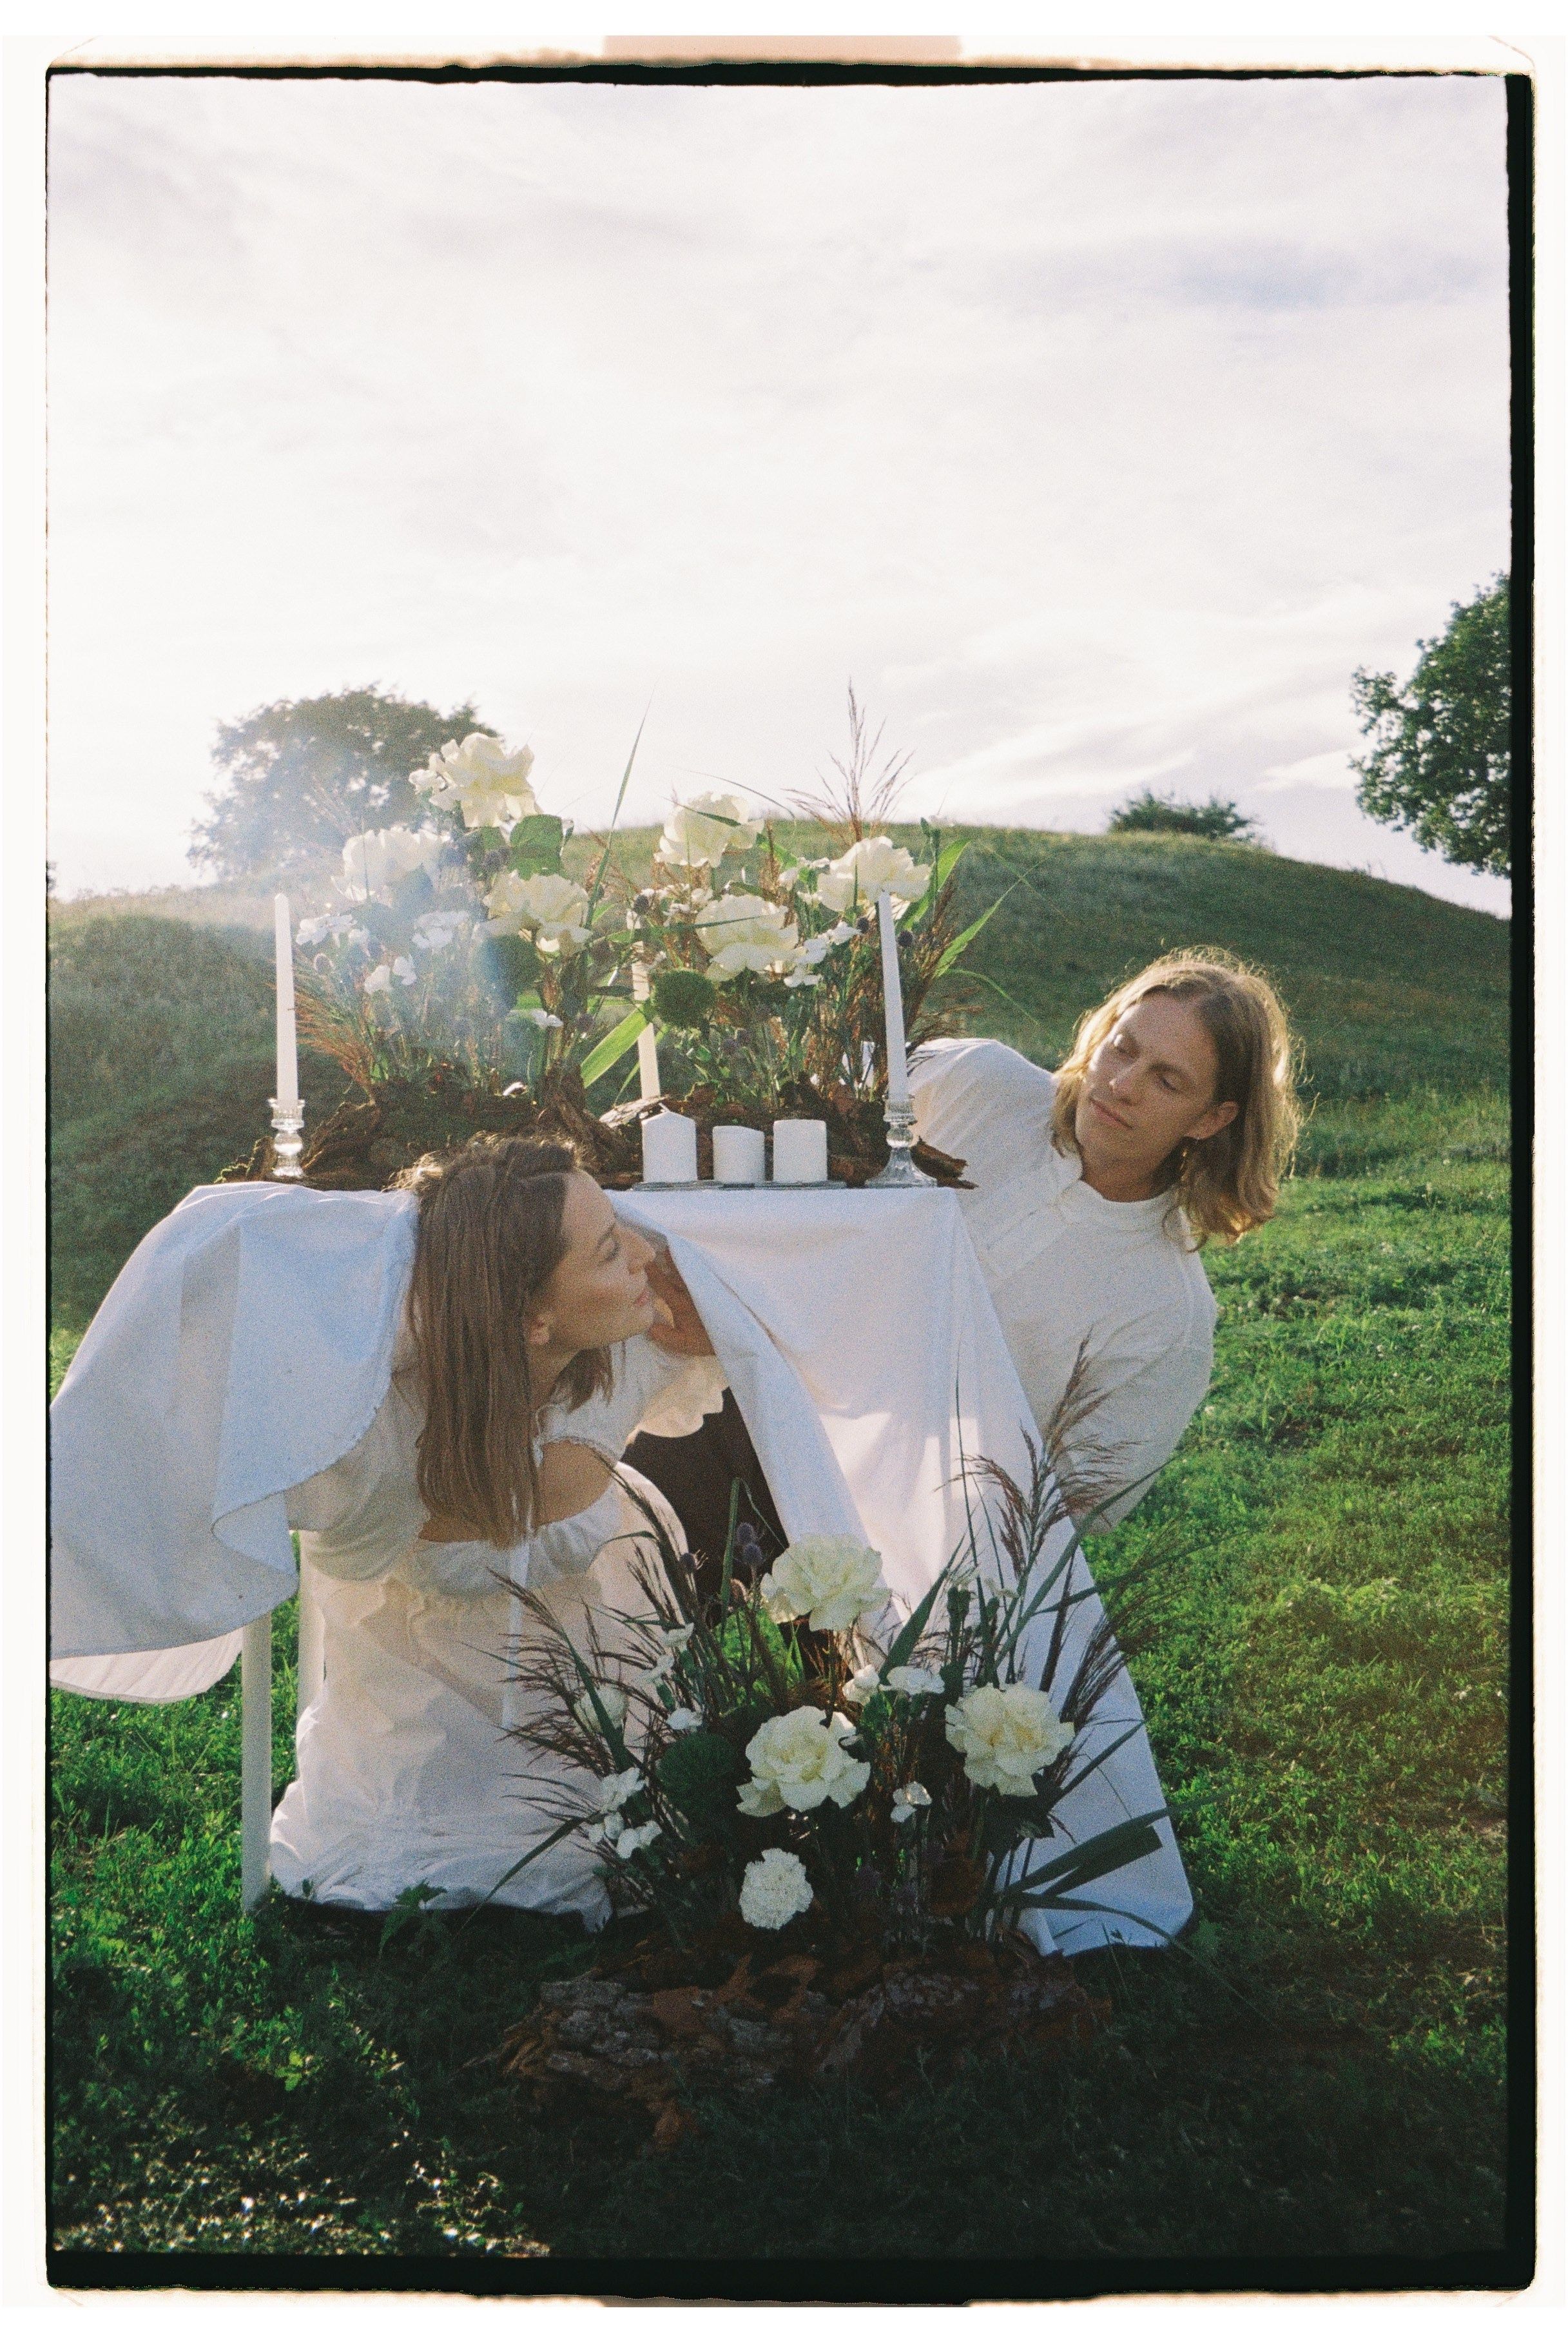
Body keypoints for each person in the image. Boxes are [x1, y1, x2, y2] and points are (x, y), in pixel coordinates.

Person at [266, 1138, 721, 1919]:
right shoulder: (382, 1429)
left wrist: (708, 1330)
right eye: (613, 1249)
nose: (647, 1251)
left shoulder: (618, 1342)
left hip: (597, 1711)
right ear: (531, 1319)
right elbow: (522, 1495)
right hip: (423, 1731)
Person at [905, 949, 1299, 1524]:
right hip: (752, 1398)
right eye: (1123, 1048)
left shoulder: (1167, 1318)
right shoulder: (979, 1081)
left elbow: (1052, 1527)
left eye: (1166, 1080)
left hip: (899, 1531)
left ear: (1210, 1119)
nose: (1120, 1085)